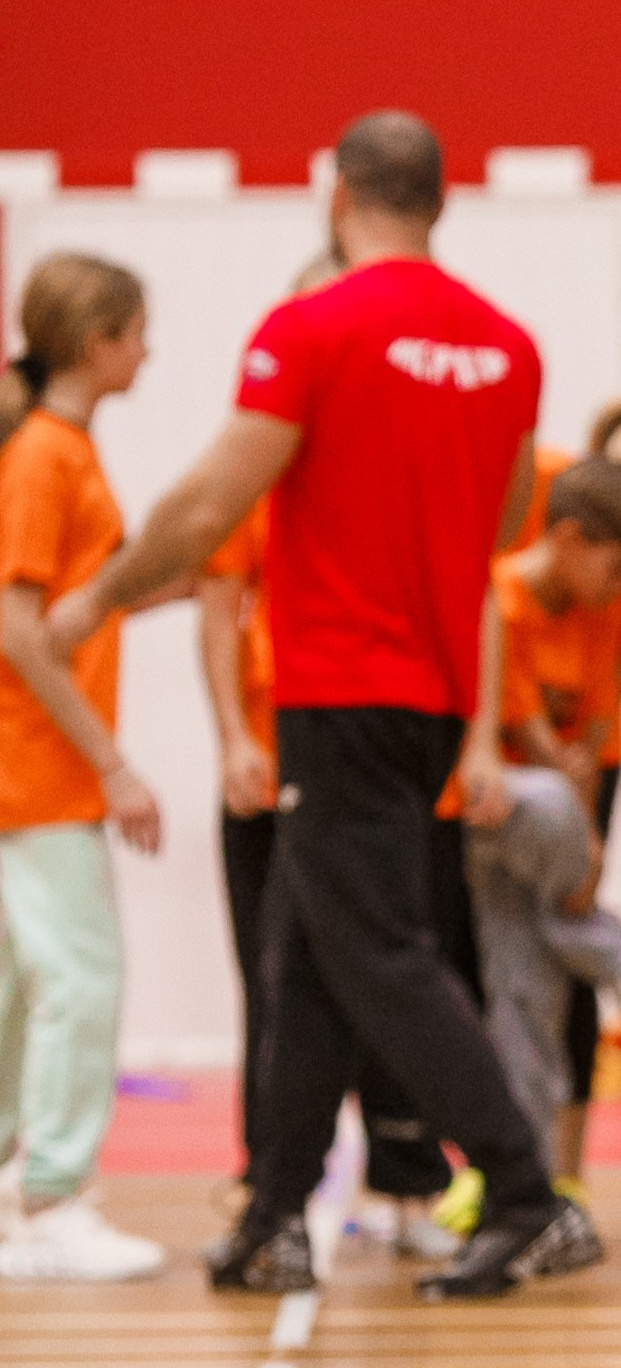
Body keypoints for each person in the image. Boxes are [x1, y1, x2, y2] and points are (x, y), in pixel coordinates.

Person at [38, 110, 598, 1300]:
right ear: (439, 201)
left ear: (337, 195)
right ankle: (272, 1215)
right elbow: (505, 526)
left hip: (339, 690)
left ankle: (525, 1191)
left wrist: (90, 604)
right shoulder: (508, 347)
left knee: (378, 953)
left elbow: (203, 511)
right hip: (434, 699)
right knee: (311, 953)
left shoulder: (311, 327)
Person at [197, 253, 462, 1262]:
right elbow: (220, 612)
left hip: (372, 752)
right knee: (280, 982)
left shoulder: (392, 469)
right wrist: (232, 739)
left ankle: (406, 1178)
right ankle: (271, 1192)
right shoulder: (253, 475)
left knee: (386, 960)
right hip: (276, 759)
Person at [0, 253, 165, 1283]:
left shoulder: (61, 451)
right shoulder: (45, 456)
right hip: (42, 765)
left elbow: (74, 601)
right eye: (139, 330)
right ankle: (53, 1194)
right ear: (97, 340)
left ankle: (26, 1183)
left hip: (35, 765)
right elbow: (19, 627)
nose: (149, 350)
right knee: (79, 977)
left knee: (26, 983)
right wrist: (112, 764)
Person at [464, 457, 621, 1198]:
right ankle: (614, 956)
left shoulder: (597, 612)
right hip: (490, 813)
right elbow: (530, 730)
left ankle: (527, 1183)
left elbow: (595, 719)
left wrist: (587, 845)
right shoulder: (502, 598)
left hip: (537, 844)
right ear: (570, 539)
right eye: (615, 571)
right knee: (549, 802)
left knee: (529, 994)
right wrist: (578, 821)